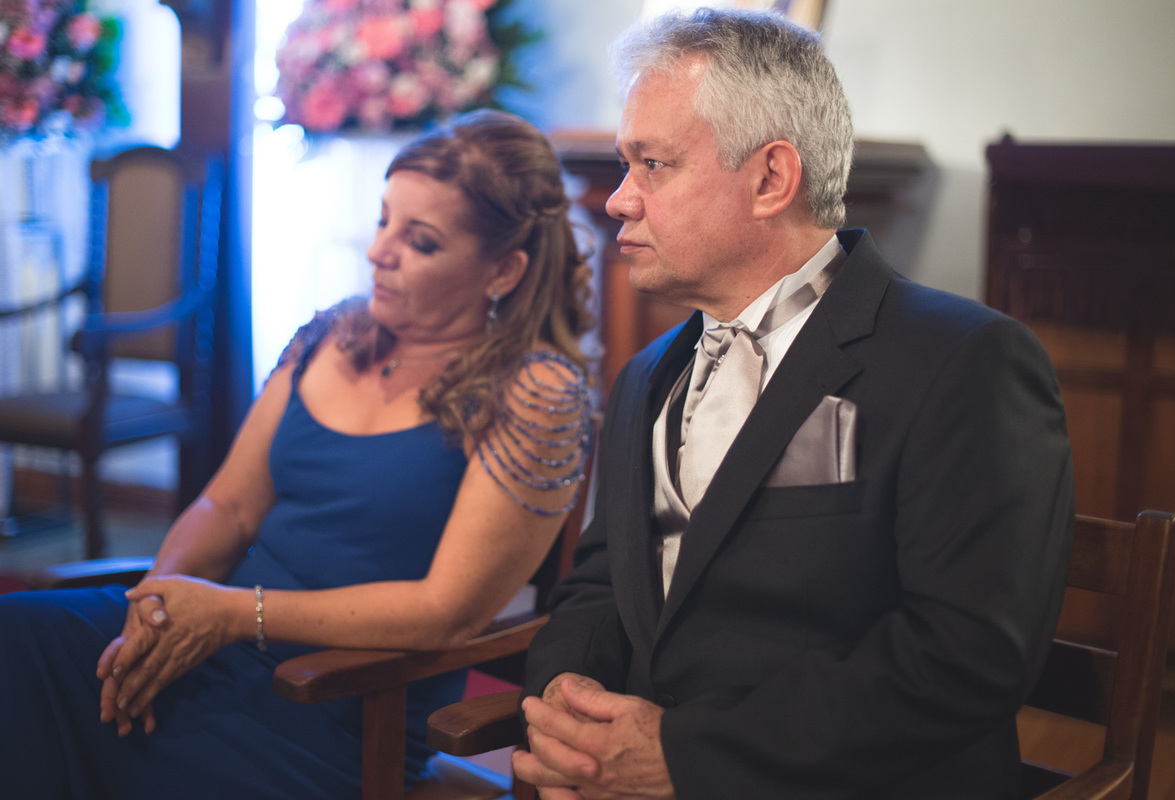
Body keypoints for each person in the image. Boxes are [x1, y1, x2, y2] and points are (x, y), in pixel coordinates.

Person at [513, 9, 1074, 800]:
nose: (619, 200)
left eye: (653, 165)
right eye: (623, 165)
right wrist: (567, 715)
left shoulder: (964, 361)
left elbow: (965, 654)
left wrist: (684, 757)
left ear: (771, 179)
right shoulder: (646, 377)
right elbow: (601, 585)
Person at [0, 109, 594, 799]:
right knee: (17, 639)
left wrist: (233, 614)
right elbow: (228, 504)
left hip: (334, 703)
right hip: (210, 639)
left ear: (503, 269)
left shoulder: (536, 392)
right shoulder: (335, 335)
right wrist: (156, 610)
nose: (378, 252)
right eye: (383, 221)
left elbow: (447, 611)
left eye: (421, 241)